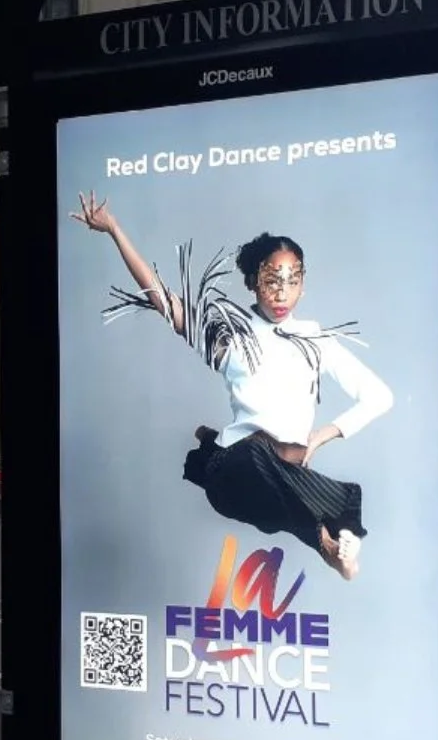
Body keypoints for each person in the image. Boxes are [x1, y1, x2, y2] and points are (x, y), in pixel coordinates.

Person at [70, 191, 394, 581]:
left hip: (283, 484)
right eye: (271, 280)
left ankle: (329, 547)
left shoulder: (316, 341)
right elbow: (161, 298)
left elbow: (379, 397)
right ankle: (330, 538)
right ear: (253, 283)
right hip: (234, 475)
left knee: (299, 479)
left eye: (292, 280)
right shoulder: (231, 336)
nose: (281, 292)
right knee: (255, 454)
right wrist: (114, 230)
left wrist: (322, 435)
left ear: (303, 286)